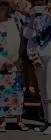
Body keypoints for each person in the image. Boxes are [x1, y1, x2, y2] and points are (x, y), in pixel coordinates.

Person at [24, 0, 51, 135]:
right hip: (37, 55)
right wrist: (32, 19)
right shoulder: (30, 14)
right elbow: (27, 35)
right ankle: (47, 120)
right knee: (42, 89)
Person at [0, 0, 29, 132]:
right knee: (2, 93)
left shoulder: (16, 21)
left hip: (15, 62)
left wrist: (17, 57)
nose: (2, 8)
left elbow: (22, 42)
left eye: (4, 5)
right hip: (1, 64)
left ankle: (19, 120)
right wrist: (3, 61)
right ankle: (2, 121)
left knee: (17, 92)